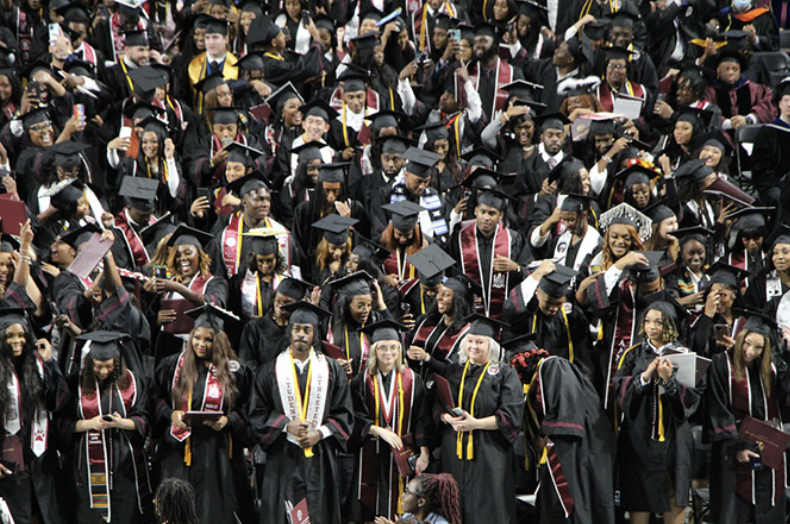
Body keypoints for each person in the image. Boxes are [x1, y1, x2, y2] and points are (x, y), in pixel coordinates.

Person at [249, 300, 354, 524]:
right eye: (296, 329)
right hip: (283, 457)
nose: (301, 335)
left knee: (319, 514)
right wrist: (286, 425)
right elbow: (256, 413)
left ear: (315, 334)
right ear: (290, 331)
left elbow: (345, 413)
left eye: (307, 330)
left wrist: (321, 433)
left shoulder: (332, 369)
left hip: (320, 457)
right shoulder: (270, 370)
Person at [151, 305, 257, 524]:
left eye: (208, 339)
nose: (201, 344)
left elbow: (249, 407)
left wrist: (228, 420)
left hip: (217, 453)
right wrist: (171, 414)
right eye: (196, 337)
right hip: (178, 451)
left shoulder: (236, 371)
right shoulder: (172, 366)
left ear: (218, 341)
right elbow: (154, 398)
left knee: (213, 511)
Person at [614, 297, 701, 524]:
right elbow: (619, 394)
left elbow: (692, 400)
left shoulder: (685, 356)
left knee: (674, 492)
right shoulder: (632, 354)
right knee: (638, 496)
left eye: (658, 322)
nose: (651, 327)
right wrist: (644, 377)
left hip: (674, 438)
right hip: (638, 437)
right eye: (647, 321)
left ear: (670, 324)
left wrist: (668, 381)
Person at [512, 349, 616, 524]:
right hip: (568, 442)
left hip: (575, 443)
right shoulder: (541, 373)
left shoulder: (554, 365)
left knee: (572, 497)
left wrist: (544, 434)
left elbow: (566, 403)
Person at [437, 315, 524, 524]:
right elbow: (438, 404)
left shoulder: (505, 373)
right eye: (470, 340)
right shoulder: (455, 369)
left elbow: (511, 416)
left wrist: (476, 424)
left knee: (490, 506)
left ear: (491, 345)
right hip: (454, 452)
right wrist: (446, 417)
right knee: (455, 503)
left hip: (489, 451)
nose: (473, 346)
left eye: (480, 342)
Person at [60, 331, 152, 524]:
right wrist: (90, 424)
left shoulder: (132, 382)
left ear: (116, 363)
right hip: (85, 460)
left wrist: (121, 423)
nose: (103, 371)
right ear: (90, 362)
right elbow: (62, 422)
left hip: (123, 461)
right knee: (89, 514)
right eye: (98, 366)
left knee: (124, 512)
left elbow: (143, 418)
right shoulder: (74, 383)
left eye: (109, 366)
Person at [705, 313, 788, 524]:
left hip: (770, 453)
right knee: (734, 512)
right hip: (733, 451)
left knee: (768, 508)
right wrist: (736, 446)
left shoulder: (773, 367)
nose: (750, 351)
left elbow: (786, 397)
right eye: (747, 343)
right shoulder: (721, 364)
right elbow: (717, 407)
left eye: (758, 347)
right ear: (741, 338)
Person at [350, 320, 431, 521]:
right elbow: (353, 416)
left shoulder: (413, 379)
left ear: (400, 349)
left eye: (394, 347)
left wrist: (424, 452)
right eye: (383, 347)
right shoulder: (362, 380)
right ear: (375, 350)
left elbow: (423, 418)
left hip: (403, 453)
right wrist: (378, 430)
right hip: (371, 451)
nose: (389, 352)